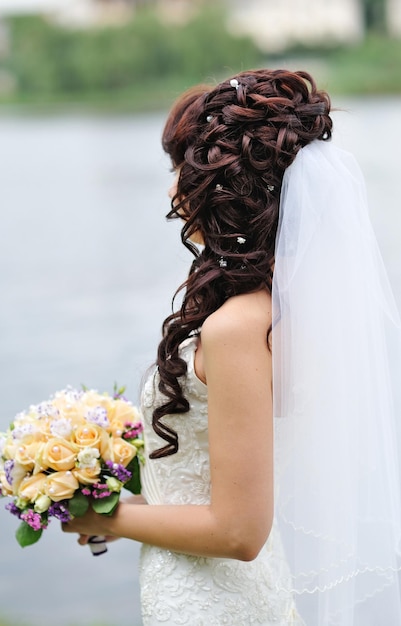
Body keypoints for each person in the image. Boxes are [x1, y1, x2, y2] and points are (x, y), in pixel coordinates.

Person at [63, 69, 401, 625]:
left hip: (216, 604)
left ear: (222, 186)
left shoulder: (238, 328)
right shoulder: (279, 309)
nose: (173, 188)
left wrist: (107, 521)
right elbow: (227, 487)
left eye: (180, 168)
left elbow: (239, 531)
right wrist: (105, 500)